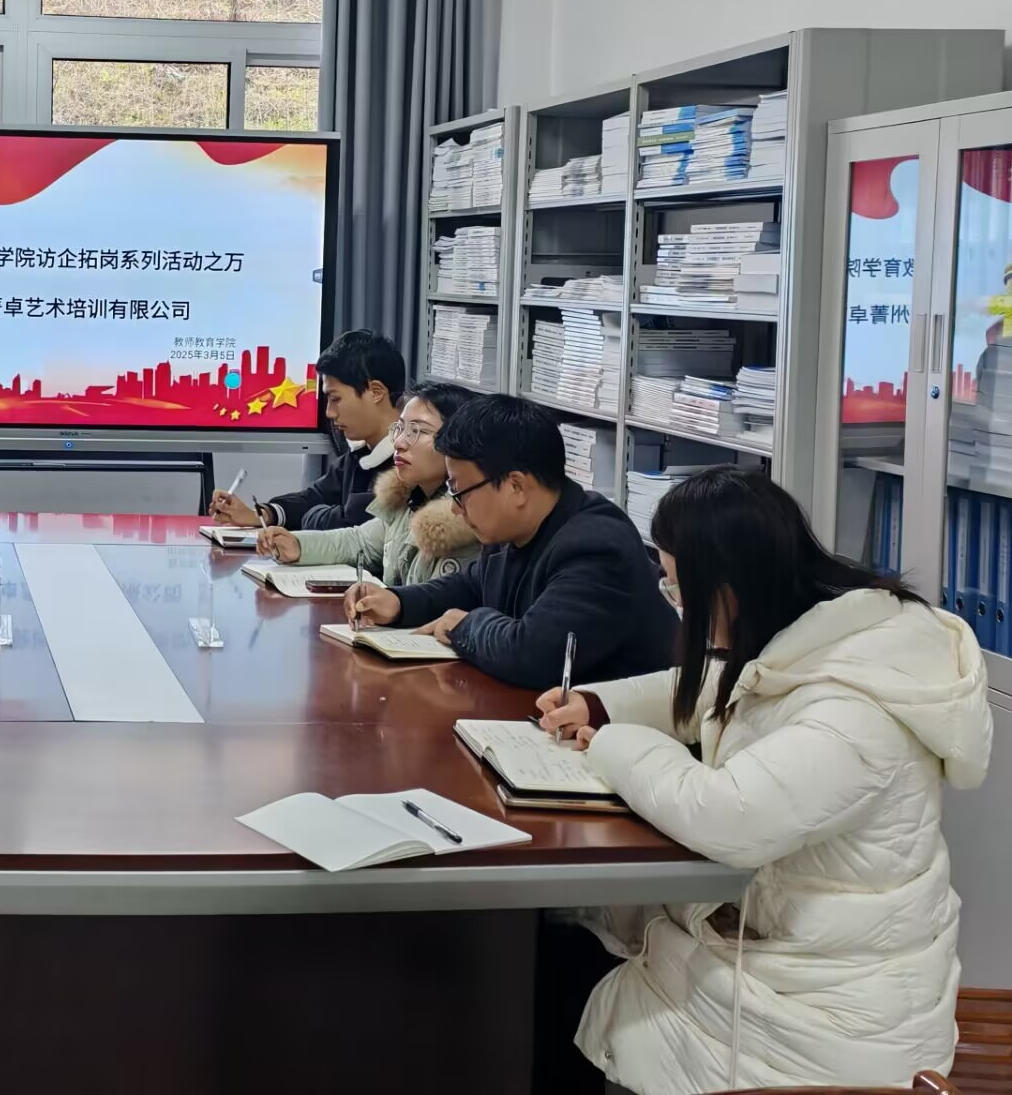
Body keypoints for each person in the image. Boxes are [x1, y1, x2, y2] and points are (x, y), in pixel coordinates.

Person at [533, 466, 992, 1095]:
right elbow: (720, 688)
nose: (675, 605)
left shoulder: (855, 713)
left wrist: (609, 744)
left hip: (825, 1021)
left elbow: (728, 816)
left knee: (563, 981)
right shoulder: (817, 636)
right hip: (799, 960)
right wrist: (600, 704)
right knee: (567, 946)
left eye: (677, 587)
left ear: (726, 591)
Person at [344, 394, 676, 689]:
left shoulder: (597, 547)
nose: (455, 509)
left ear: (516, 487)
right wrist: (398, 603)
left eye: (460, 492)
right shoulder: (512, 528)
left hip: (618, 730)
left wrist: (466, 626)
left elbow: (535, 654)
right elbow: (471, 585)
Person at [256, 382, 480, 586]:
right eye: (400, 429)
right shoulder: (411, 499)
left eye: (417, 431)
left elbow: (433, 603)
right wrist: (297, 545)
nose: (399, 443)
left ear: (457, 442)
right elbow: (359, 542)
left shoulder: (464, 523)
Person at [207, 329, 405, 530]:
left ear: (376, 392)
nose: (329, 413)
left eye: (335, 399)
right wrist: (261, 514)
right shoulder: (359, 454)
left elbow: (349, 524)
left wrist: (314, 515)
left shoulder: (407, 464)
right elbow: (314, 497)